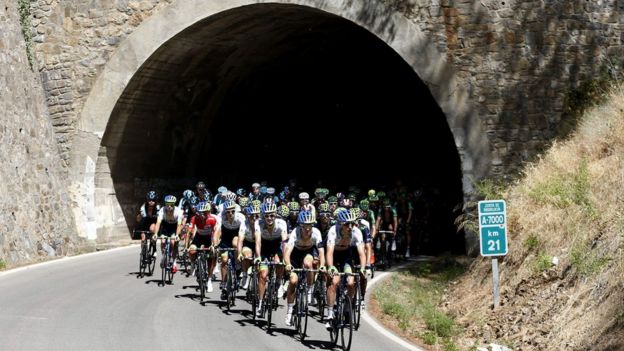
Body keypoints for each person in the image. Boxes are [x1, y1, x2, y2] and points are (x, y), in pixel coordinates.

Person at [324, 209, 366, 326]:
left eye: (352, 223)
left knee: (351, 282)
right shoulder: (333, 230)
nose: (350, 227)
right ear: (340, 224)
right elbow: (329, 252)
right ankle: (330, 313)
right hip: (334, 256)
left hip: (346, 256)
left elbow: (362, 253)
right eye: (347, 224)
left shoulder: (356, 232)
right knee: (334, 281)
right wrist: (331, 267)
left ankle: (348, 307)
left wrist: (363, 268)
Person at [283, 210, 325, 326]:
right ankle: (290, 311)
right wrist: (287, 264)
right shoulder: (295, 233)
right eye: (305, 226)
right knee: (293, 281)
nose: (308, 229)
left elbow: (321, 252)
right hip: (294, 256)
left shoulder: (316, 232)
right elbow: (287, 252)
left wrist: (322, 266)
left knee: (308, 264)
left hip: (308, 252)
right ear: (300, 225)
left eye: (310, 225)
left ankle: (310, 289)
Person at [253, 202, 289, 317]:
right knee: (263, 274)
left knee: (279, 262)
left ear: (275, 215)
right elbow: (258, 242)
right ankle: (260, 303)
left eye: (272, 215)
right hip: (264, 247)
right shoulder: (258, 223)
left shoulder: (281, 223)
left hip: (276, 246)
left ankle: (278, 281)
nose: (269, 218)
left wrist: (285, 258)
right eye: (267, 215)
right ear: (263, 216)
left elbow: (284, 242)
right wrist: (258, 257)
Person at [213, 200, 247, 300]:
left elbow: (242, 234)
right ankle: (223, 283)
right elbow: (217, 232)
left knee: (235, 243)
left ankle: (237, 265)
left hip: (237, 236)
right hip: (225, 238)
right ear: (225, 212)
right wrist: (215, 245)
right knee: (224, 259)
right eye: (228, 211)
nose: (230, 214)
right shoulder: (221, 217)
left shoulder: (240, 217)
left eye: (232, 211)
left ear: (235, 211)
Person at [188, 202, 218, 292]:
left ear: (208, 212)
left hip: (209, 238)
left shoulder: (212, 219)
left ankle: (209, 280)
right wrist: (187, 247)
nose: (202, 215)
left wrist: (213, 245)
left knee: (211, 257)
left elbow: (215, 233)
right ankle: (193, 264)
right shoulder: (194, 218)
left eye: (204, 213)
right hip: (198, 238)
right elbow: (189, 232)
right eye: (200, 213)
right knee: (192, 250)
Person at [154, 195, 184, 273]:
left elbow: (179, 225)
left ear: (174, 204)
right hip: (166, 226)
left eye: (172, 204)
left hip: (174, 227)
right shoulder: (162, 210)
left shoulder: (178, 211)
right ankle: (164, 256)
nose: (169, 206)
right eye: (168, 204)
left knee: (173, 242)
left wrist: (177, 235)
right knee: (163, 241)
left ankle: (174, 262)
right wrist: (155, 234)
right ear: (165, 204)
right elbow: (158, 223)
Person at [136, 190, 160, 257]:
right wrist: (140, 215)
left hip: (153, 221)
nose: (151, 202)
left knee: (152, 229)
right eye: (149, 200)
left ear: (155, 201)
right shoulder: (143, 207)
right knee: (143, 238)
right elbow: (138, 220)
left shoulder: (157, 208)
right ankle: (143, 252)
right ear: (147, 200)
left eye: (153, 200)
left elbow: (159, 220)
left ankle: (154, 249)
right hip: (145, 221)